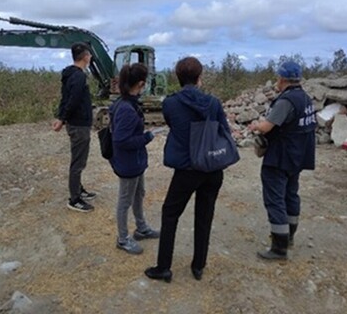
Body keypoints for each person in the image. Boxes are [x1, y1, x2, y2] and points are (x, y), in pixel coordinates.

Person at [145, 56, 230, 282]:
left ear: (178, 77)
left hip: (186, 170)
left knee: (170, 214)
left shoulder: (170, 103)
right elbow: (225, 131)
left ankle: (164, 267)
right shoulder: (214, 103)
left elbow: (174, 125)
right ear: (200, 77)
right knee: (205, 216)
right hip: (212, 168)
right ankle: (198, 266)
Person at [248, 60, 316, 260]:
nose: (277, 80)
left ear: (283, 79)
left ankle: (279, 248)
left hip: (280, 157)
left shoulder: (286, 101)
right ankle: (290, 237)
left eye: (278, 77)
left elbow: (268, 127)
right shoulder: (305, 98)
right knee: (291, 195)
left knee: (275, 199)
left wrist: (255, 126)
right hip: (298, 156)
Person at [109, 63, 159, 255]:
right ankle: (122, 239)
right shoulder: (126, 109)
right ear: (140, 83)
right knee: (125, 200)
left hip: (136, 162)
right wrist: (146, 137)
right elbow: (121, 140)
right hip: (128, 164)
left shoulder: (127, 103)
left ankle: (141, 228)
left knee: (139, 194)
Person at [52, 42, 97, 212]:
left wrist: (61, 117)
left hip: (75, 123)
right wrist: (62, 119)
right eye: (89, 54)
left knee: (79, 160)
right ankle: (74, 199)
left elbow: (65, 99)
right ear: (85, 56)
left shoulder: (69, 75)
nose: (91, 57)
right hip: (79, 125)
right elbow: (73, 100)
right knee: (78, 162)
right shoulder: (79, 77)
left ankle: (79, 189)